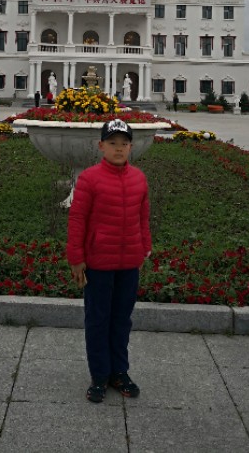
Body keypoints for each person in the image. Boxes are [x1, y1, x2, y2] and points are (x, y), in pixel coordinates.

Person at [67, 118, 151, 403]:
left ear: (131, 147)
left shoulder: (139, 178)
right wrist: (76, 258)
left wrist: (144, 250)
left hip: (129, 263)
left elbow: (143, 217)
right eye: (112, 143)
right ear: (100, 146)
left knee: (121, 320)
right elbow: (77, 219)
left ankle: (119, 372)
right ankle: (100, 376)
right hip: (99, 263)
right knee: (98, 320)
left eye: (124, 144)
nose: (118, 149)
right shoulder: (90, 178)